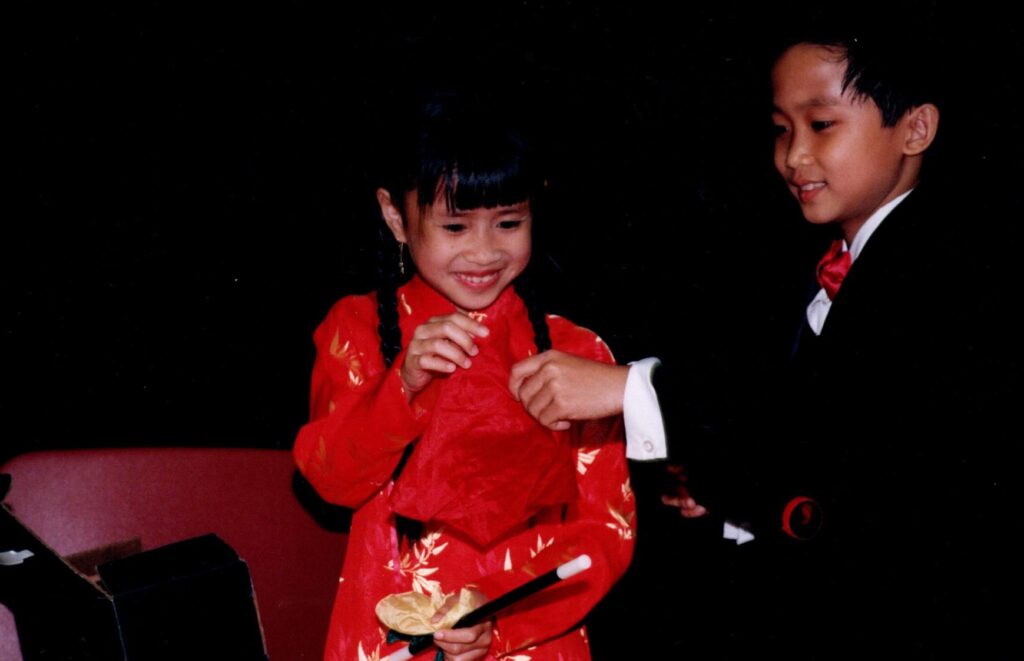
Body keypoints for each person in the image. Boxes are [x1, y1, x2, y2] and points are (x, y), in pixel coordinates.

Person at [511, 18, 1016, 658]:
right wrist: (726, 485)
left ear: (915, 128)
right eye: (781, 130)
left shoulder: (944, 269)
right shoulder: (834, 262)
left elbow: (852, 433)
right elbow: (799, 438)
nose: (793, 156)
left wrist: (630, 387)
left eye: (821, 125)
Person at [293, 87, 635, 661]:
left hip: (533, 642)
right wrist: (401, 387)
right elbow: (329, 480)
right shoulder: (355, 329)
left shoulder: (577, 352)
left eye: (508, 222)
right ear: (395, 216)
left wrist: (496, 620)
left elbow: (606, 533)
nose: (483, 252)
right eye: (455, 227)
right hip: (387, 638)